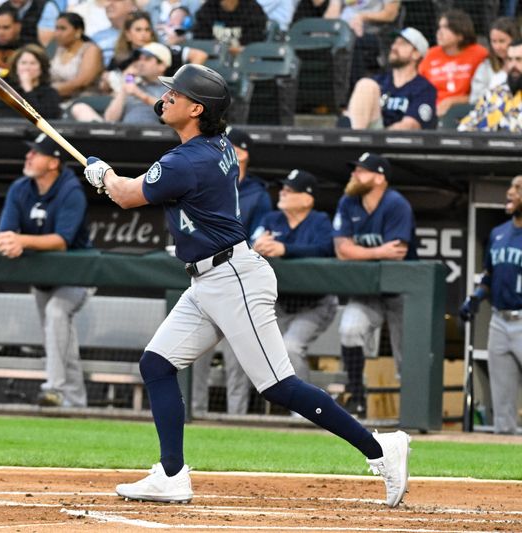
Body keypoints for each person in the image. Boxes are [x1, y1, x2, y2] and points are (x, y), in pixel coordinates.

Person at [83, 63, 411, 506]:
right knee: (157, 365)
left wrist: (101, 173)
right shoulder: (214, 142)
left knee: (278, 385)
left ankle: (381, 449)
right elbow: (169, 132)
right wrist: (129, 148)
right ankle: (172, 475)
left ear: (198, 108)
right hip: (206, 279)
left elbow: (125, 195)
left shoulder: (186, 160)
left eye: (176, 94)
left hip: (232, 278)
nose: (167, 98)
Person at [0, 134, 93, 408]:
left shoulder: (70, 189)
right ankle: (76, 402)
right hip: (43, 278)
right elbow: (4, 231)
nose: (29, 156)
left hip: (78, 274)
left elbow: (61, 241)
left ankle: (54, 389)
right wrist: (5, 241)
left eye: (36, 153)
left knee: (56, 314)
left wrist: (21, 241)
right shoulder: (20, 187)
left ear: (53, 163)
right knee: (59, 338)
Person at [191, 126, 271, 416]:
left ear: (242, 153)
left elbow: (262, 238)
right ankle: (195, 414)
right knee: (195, 355)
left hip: (240, 275)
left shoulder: (258, 194)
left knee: (239, 357)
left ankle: (236, 419)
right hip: (208, 273)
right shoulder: (206, 181)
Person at [332, 152, 417, 418]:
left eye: (361, 170)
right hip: (367, 290)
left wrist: (358, 251)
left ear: (379, 178)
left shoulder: (396, 204)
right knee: (349, 330)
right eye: (354, 169)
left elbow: (398, 252)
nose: (354, 174)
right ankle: (357, 397)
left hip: (401, 292)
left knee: (407, 358)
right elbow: (341, 250)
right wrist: (378, 251)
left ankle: (413, 415)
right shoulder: (349, 202)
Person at [253, 169, 338, 383]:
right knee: (256, 349)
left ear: (307, 199)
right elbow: (253, 244)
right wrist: (256, 247)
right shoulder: (272, 219)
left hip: (314, 304)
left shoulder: (320, 221)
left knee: (291, 347)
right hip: (279, 303)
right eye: (283, 188)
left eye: (290, 190)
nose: (282, 193)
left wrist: (285, 249)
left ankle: (302, 411)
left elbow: (325, 249)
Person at [460, 175, 522, 435]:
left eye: (518, 188)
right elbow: (489, 276)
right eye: (511, 186)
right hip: (499, 321)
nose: (510, 192)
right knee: (502, 403)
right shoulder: (498, 233)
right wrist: (475, 296)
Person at [343, 27, 437, 130]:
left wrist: (381, 139)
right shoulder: (378, 81)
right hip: (369, 134)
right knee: (366, 85)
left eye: (402, 44)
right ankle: (355, 141)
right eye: (394, 43)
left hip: (398, 141)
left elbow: (410, 125)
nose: (394, 47)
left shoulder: (424, 88)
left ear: (416, 54)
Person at [70, 41, 171, 124]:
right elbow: (110, 119)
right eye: (139, 58)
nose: (141, 62)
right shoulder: (132, 86)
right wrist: (124, 89)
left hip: (154, 138)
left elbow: (171, 111)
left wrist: (140, 95)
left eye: (147, 59)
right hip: (123, 137)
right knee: (80, 108)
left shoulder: (170, 88)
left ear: (162, 65)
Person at [418, 9, 488, 118]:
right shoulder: (430, 54)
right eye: (439, 27)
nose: (439, 32)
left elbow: (482, 92)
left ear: (460, 33)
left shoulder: (479, 54)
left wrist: (451, 101)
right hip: (431, 109)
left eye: (446, 28)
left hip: (466, 110)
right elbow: (419, 87)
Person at [324, 0, 401, 85]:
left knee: (356, 42)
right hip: (342, 31)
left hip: (373, 34)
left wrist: (362, 16)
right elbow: (332, 12)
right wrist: (325, 29)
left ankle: (353, 90)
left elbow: (390, 14)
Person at [0, 43, 61, 118]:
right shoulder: (5, 90)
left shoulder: (50, 93)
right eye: (23, 63)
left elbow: (44, 120)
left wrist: (28, 88)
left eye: (33, 63)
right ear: (16, 68)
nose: (27, 67)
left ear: (42, 68)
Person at [458, 39, 522, 133]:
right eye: (509, 59)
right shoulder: (495, 93)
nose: (513, 65)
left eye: (519, 59)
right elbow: (468, 124)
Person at [49, 13, 103, 100]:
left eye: (63, 29)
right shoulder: (57, 49)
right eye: (56, 28)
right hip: (55, 99)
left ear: (78, 31)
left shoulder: (91, 50)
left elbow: (83, 81)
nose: (57, 34)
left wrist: (49, 92)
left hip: (83, 100)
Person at [469, 17, 521, 104]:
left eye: (502, 41)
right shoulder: (485, 67)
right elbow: (474, 100)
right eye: (494, 41)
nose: (497, 47)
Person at [192, 0, 267, 53]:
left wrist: (241, 49)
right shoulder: (208, 8)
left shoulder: (252, 8)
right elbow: (200, 40)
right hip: (214, 61)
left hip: (244, 62)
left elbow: (256, 39)